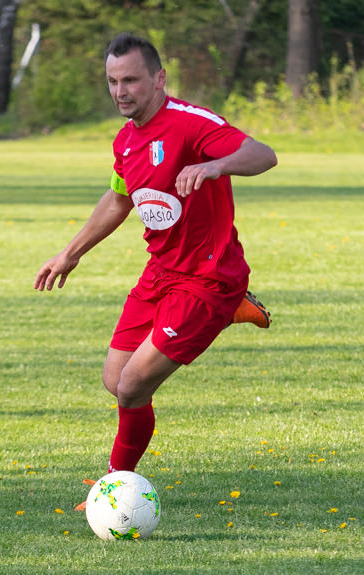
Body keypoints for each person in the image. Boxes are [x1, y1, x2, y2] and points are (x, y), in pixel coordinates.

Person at [34, 32, 277, 476]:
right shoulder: (126, 140)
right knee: (115, 379)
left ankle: (116, 486)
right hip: (161, 272)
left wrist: (214, 164)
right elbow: (118, 200)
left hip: (209, 276)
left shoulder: (191, 122)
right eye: (112, 81)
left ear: (159, 78)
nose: (120, 91)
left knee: (131, 387)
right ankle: (230, 312)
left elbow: (263, 154)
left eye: (130, 80)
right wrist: (70, 254)